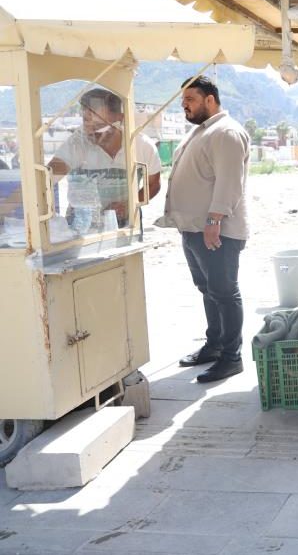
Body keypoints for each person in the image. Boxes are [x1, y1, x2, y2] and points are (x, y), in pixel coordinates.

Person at [156, 76, 251, 383]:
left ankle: (231, 357)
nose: (185, 105)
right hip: (194, 229)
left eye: (191, 99)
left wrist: (214, 221)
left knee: (224, 292)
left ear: (210, 100)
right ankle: (214, 345)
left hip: (217, 231)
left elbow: (228, 182)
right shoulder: (202, 131)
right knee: (208, 290)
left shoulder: (226, 132)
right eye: (184, 100)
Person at [48, 88, 161, 231]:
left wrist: (129, 204)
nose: (91, 134)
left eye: (99, 127)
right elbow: (46, 179)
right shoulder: (77, 143)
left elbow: (153, 184)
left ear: (120, 119)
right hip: (80, 229)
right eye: (86, 123)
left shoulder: (142, 146)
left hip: (127, 227)